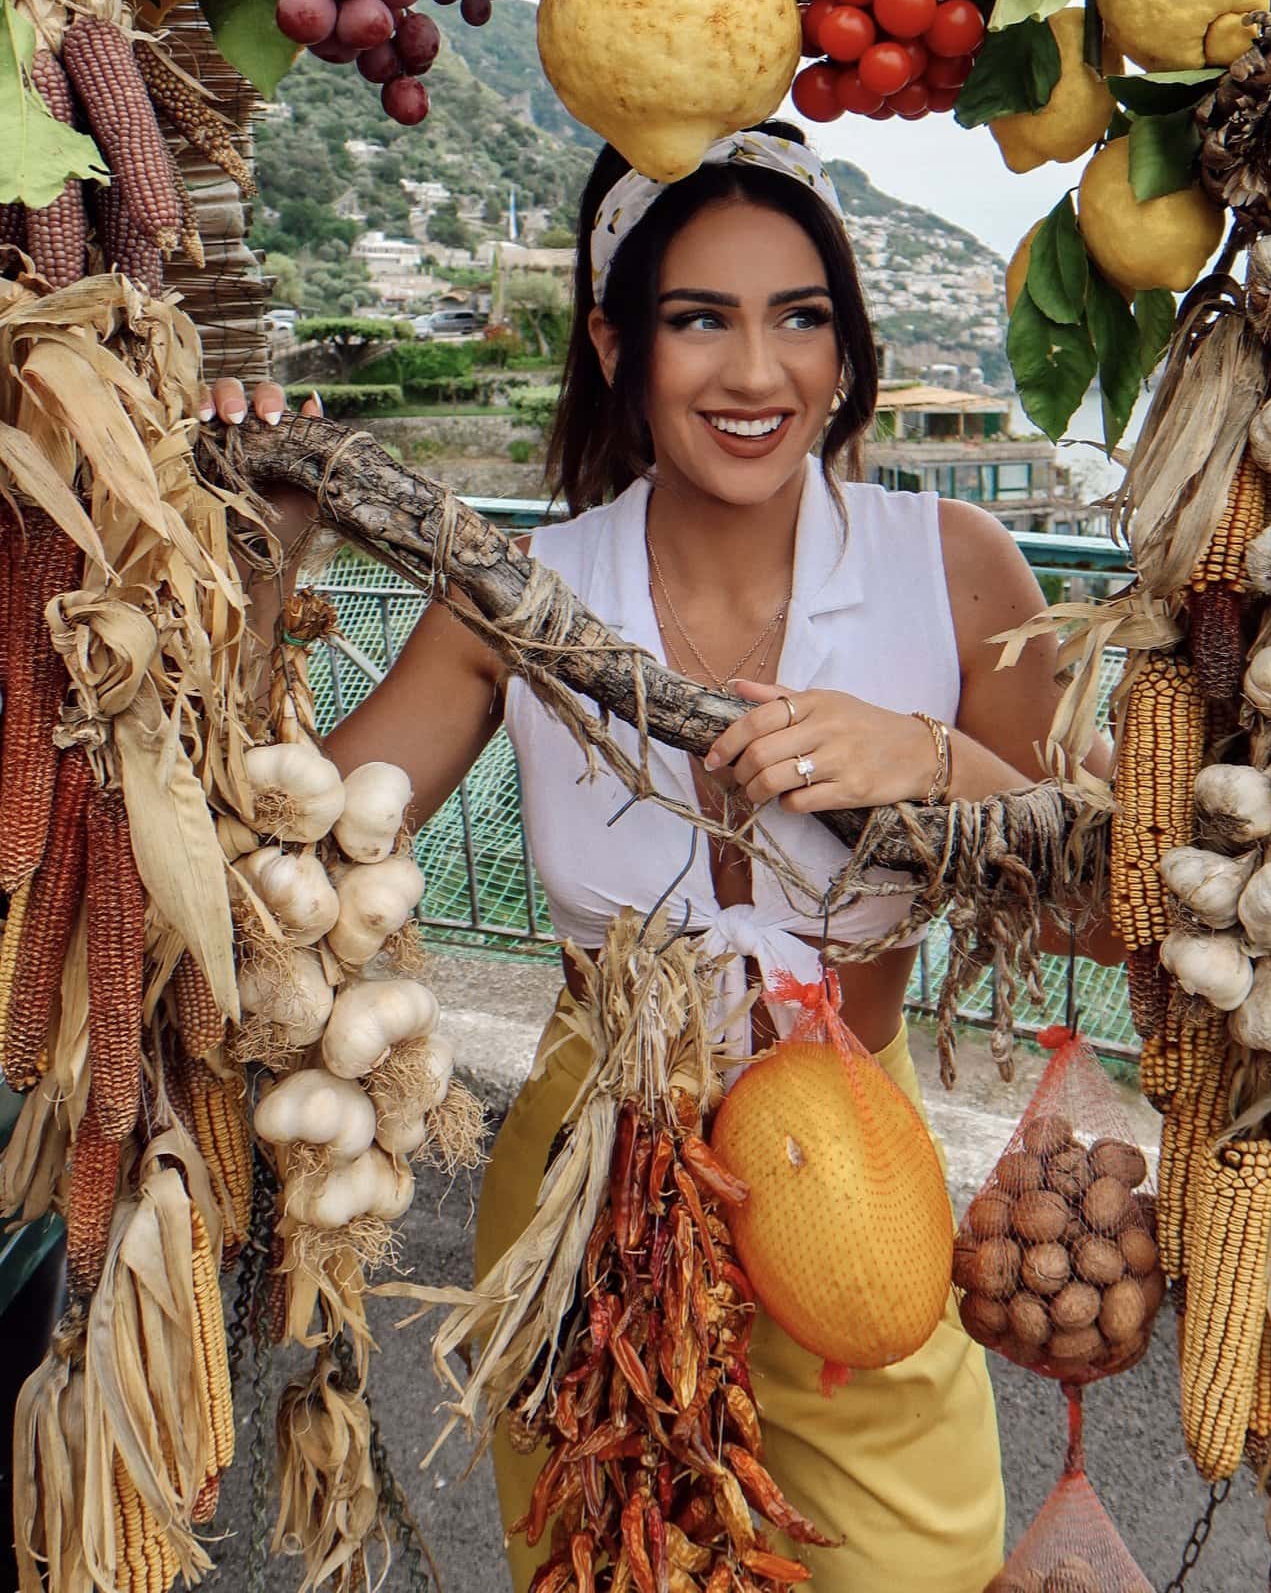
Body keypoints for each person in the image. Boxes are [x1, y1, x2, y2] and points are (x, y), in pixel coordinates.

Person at [218, 120, 1118, 1593]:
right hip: (593, 1201)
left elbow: (1099, 907)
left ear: (846, 345)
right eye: (699, 319)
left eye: (800, 318)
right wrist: (268, 565)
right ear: (617, 343)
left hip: (861, 1193)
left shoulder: (950, 564)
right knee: (608, 1561)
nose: (756, 374)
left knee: (913, 1560)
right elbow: (281, 861)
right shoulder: (521, 592)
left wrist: (939, 764)